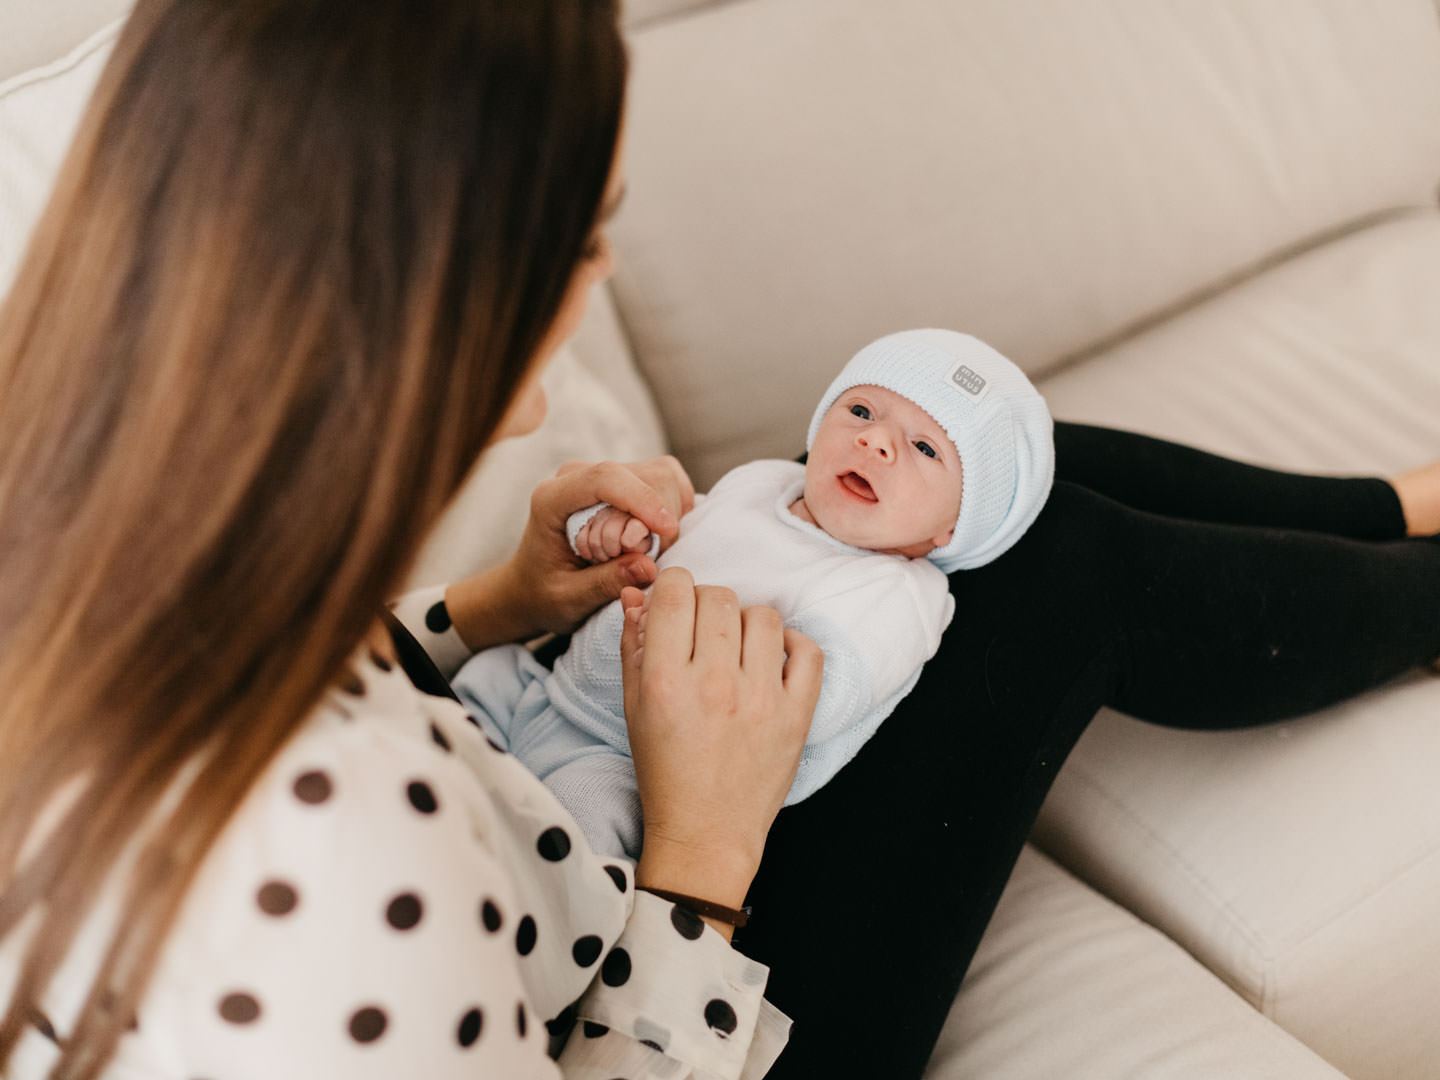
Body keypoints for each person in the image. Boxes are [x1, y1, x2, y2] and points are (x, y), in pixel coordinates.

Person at [3, 3, 1440, 1080]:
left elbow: (298, 681)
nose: (602, 276)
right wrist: (703, 848)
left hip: (566, 863)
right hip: (664, 991)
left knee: (978, 482)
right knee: (1046, 562)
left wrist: (497, 605)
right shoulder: (351, 862)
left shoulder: (71, 535)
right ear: (447, 296)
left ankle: (1392, 506)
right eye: (587, 240)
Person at [448, 327, 1054, 861]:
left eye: (925, 449)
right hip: (549, 692)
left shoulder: (898, 594)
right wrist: (617, 528)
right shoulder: (766, 483)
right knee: (473, 683)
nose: (876, 442)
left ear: (952, 529)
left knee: (572, 825)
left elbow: (815, 698)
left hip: (635, 765)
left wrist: (692, 643)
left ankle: (495, 890)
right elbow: (676, 532)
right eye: (862, 410)